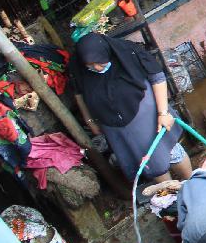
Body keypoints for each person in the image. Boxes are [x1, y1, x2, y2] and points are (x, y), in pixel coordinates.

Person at [71, 32, 192, 183]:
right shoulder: (78, 68)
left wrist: (163, 112)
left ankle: (192, 181)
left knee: (170, 150)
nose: (96, 67)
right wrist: (90, 121)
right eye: (90, 66)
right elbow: (79, 94)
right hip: (116, 127)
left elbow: (157, 76)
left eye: (100, 62)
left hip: (145, 115)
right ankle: (172, 194)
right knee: (148, 162)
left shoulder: (127, 53)